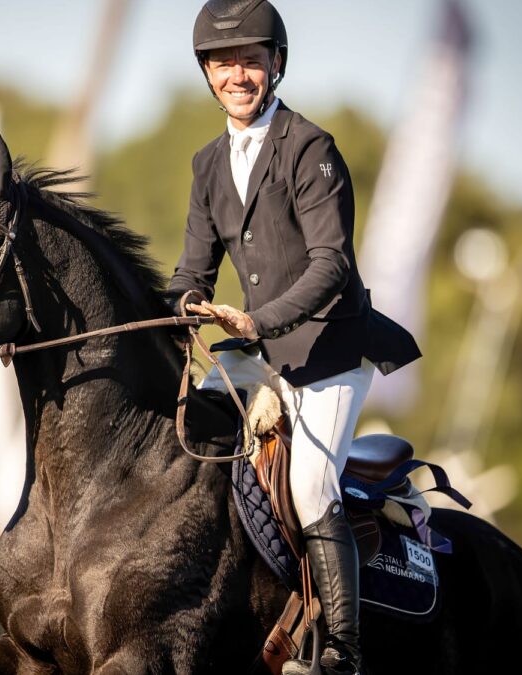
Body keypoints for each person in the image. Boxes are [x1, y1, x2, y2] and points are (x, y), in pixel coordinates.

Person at [166, 2, 422, 673]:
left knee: (310, 485)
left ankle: (343, 648)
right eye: (223, 63)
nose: (237, 75)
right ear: (208, 73)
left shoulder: (310, 148)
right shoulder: (205, 165)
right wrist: (173, 310)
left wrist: (256, 321)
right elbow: (193, 270)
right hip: (262, 358)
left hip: (329, 353)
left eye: (250, 60)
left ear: (276, 64)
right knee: (192, 436)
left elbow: (332, 263)